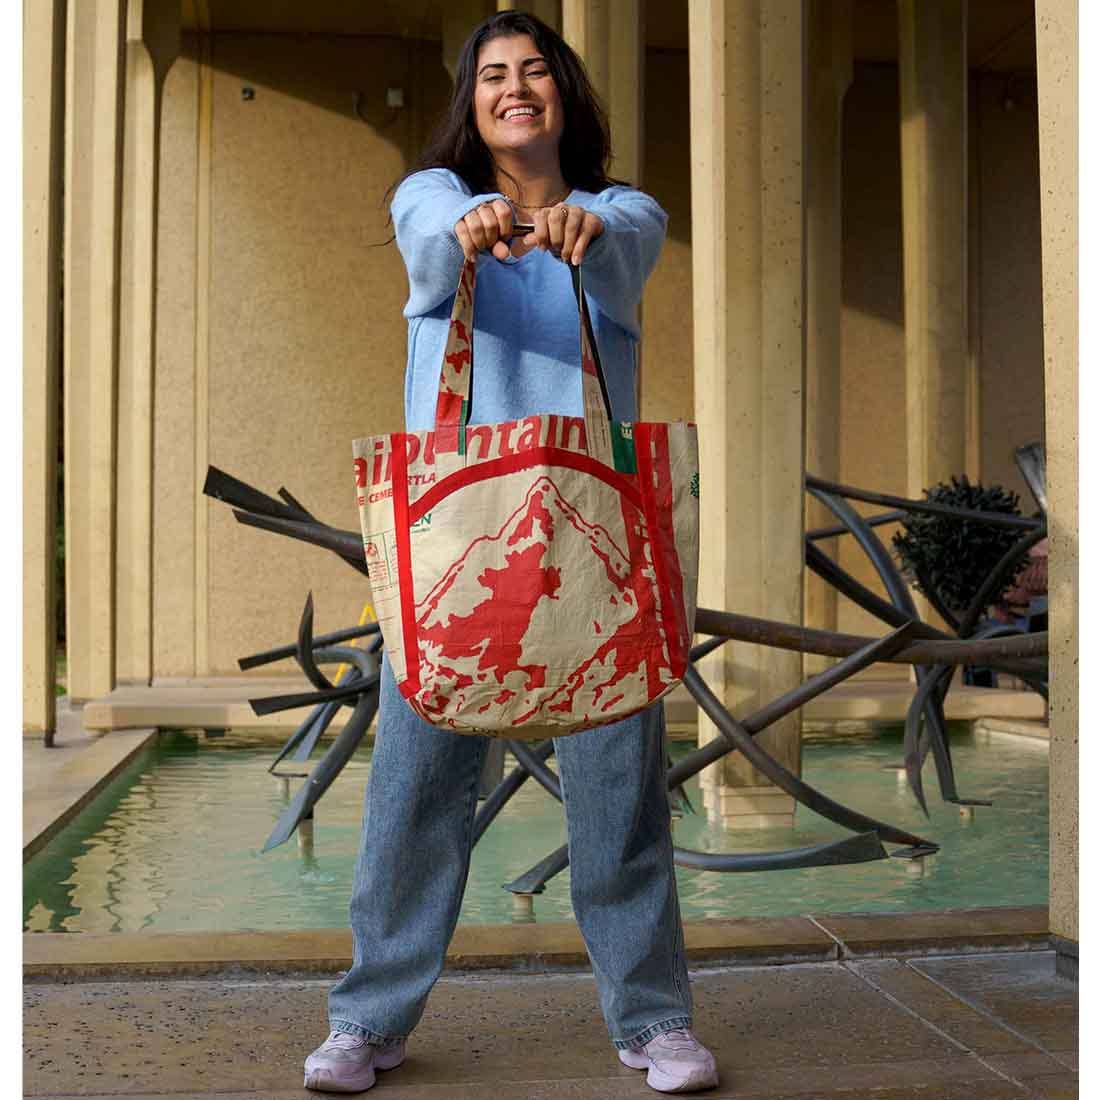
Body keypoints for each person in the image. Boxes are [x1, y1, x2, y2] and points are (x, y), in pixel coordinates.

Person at [305, 11, 718, 1095]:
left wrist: (573, 227)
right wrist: (476, 224)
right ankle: (367, 1019)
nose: (515, 87)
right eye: (493, 74)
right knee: (413, 793)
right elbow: (428, 232)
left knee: (620, 795)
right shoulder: (431, 198)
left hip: (592, 534)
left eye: (535, 70)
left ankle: (655, 1020)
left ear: (563, 95)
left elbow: (618, 242)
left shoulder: (622, 212)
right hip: (459, 537)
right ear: (472, 101)